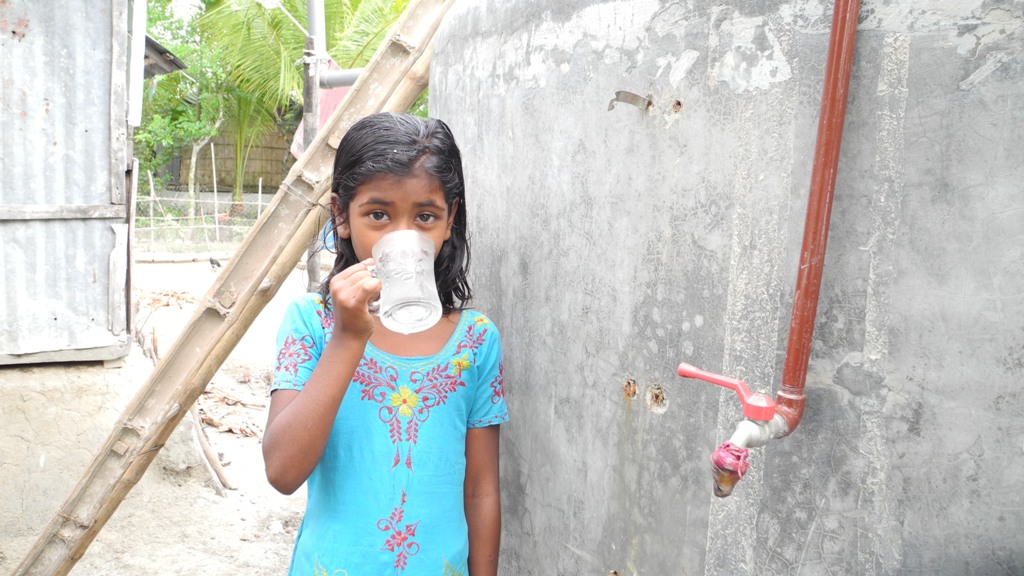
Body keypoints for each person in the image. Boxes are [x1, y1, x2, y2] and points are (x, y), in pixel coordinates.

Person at [263, 112, 508, 576]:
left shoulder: (475, 340)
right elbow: (282, 472)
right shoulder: (312, 324)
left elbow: (480, 490)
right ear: (341, 216)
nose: (403, 237)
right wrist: (349, 337)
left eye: (425, 216)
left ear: (449, 220)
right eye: (378, 215)